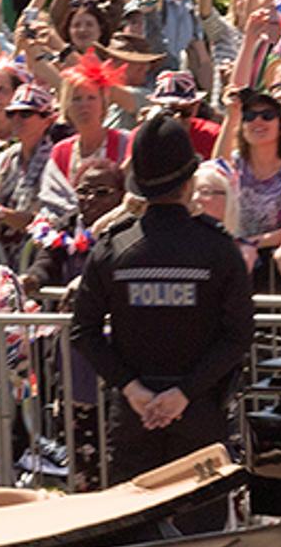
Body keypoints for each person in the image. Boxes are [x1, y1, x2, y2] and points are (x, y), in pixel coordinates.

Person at [67, 112, 254, 481]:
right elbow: (238, 335)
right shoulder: (217, 248)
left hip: (134, 416)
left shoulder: (114, 247)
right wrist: (184, 393)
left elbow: (83, 331)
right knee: (199, 531)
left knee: (137, 529)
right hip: (198, 412)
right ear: (189, 182)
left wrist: (133, 389)